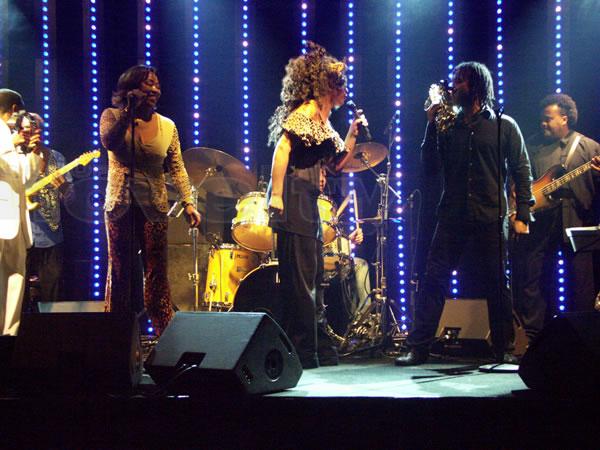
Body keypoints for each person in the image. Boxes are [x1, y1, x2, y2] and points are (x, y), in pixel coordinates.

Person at [395, 62, 534, 366]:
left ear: (477, 86)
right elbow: (429, 168)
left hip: (490, 216)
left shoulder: (504, 125)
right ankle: (418, 347)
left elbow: (522, 170)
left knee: (497, 283)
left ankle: (504, 348)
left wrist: (523, 213)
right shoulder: (447, 126)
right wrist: (431, 124)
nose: (453, 86)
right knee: (434, 279)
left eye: (460, 81)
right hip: (452, 216)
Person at [267, 42, 367, 368]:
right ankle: (303, 350)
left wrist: (352, 134)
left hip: (307, 202)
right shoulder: (308, 112)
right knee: (299, 280)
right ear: (329, 86)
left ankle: (317, 347)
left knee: (312, 279)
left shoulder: (323, 121)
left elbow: (336, 165)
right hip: (292, 197)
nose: (346, 91)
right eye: (342, 85)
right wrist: (276, 195)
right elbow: (282, 148)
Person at [100, 65, 201, 336]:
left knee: (156, 271)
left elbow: (177, 166)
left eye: (156, 85)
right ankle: (116, 333)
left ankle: (164, 333)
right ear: (130, 89)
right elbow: (109, 142)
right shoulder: (111, 116)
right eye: (148, 85)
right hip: (120, 205)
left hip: (154, 207)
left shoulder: (167, 126)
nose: (154, 90)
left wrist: (188, 202)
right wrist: (127, 113)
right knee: (120, 270)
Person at [512, 94, 600, 341]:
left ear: (564, 118)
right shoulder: (530, 147)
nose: (543, 123)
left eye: (548, 119)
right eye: (542, 119)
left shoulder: (590, 148)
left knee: (580, 285)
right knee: (534, 283)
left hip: (576, 224)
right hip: (540, 226)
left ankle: (582, 340)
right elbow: (517, 183)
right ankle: (533, 340)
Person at [0, 89, 42, 335]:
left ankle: (9, 336)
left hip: (15, 218)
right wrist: (11, 143)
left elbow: (24, 179)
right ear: (15, 109)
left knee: (16, 277)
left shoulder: (11, 139)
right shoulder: (7, 139)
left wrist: (33, 153)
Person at [21, 113, 71, 309]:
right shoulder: (12, 158)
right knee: (18, 293)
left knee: (52, 293)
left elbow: (71, 199)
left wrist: (65, 188)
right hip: (21, 234)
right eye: (30, 128)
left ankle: (50, 326)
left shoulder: (56, 158)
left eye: (39, 128)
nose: (36, 132)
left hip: (51, 236)